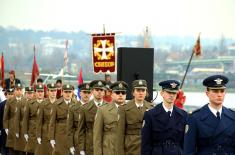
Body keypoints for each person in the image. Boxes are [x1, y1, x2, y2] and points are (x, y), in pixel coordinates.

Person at [184, 75, 235, 155]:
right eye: (215, 91)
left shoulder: (233, 116)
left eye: (222, 91)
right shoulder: (195, 118)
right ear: (207, 93)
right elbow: (188, 151)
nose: (219, 95)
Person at [141, 80, 188, 155]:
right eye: (169, 92)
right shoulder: (150, 114)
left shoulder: (183, 115)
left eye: (174, 93)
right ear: (162, 93)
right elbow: (145, 143)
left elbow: (185, 142)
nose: (171, 95)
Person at [93, 81, 128, 155]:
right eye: (117, 93)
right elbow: (97, 136)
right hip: (109, 149)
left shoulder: (130, 109)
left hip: (126, 149)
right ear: (112, 94)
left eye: (123, 93)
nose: (120, 95)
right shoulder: (103, 110)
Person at [123, 79, 154, 155]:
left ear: (146, 92)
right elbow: (120, 133)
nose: (141, 93)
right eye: (138, 90)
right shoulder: (124, 108)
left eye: (143, 90)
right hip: (130, 147)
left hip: (147, 146)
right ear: (133, 92)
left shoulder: (152, 108)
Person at [49, 84, 77, 155]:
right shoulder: (56, 104)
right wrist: (51, 138)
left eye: (69, 92)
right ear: (62, 92)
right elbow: (52, 122)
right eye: (66, 92)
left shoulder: (76, 104)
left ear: (72, 92)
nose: (68, 94)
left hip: (72, 133)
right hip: (60, 134)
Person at [82, 80, 106, 155]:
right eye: (97, 90)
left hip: (105, 143)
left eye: (101, 90)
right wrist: (81, 148)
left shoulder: (109, 107)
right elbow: (81, 130)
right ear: (92, 91)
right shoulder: (85, 108)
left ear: (104, 92)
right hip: (90, 144)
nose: (99, 92)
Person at [35, 83, 57, 155]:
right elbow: (39, 122)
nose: (53, 92)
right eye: (51, 91)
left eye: (54, 90)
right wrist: (38, 135)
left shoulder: (59, 103)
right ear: (48, 92)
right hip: (45, 133)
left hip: (56, 133)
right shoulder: (43, 104)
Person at [23, 84, 44, 155]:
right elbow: (25, 119)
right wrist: (25, 132)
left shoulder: (47, 103)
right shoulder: (29, 103)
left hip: (44, 132)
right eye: (38, 91)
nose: (40, 93)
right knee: (31, 151)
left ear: (44, 92)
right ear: (35, 93)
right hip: (32, 131)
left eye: (41, 91)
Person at [0, 88, 14, 155]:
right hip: (3, 130)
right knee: (4, 147)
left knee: (12, 148)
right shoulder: (2, 105)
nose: (10, 96)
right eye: (9, 94)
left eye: (12, 94)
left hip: (13, 130)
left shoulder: (17, 104)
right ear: (6, 95)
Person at [14, 84, 27, 155]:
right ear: (14, 91)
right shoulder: (10, 101)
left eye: (20, 90)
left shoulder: (26, 101)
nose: (19, 91)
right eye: (17, 90)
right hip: (18, 128)